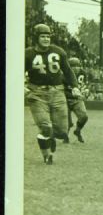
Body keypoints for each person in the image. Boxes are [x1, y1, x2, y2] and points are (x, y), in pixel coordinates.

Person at [25, 23, 81, 164]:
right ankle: (47, 156)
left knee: (63, 131)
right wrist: (22, 86)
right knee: (45, 126)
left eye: (48, 36)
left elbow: (68, 71)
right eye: (42, 36)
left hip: (57, 92)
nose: (46, 39)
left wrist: (75, 86)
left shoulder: (58, 51)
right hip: (37, 93)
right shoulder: (28, 53)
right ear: (36, 38)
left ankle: (51, 138)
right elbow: (15, 70)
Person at [64, 57, 89, 144]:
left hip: (77, 99)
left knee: (84, 117)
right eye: (73, 66)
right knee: (67, 121)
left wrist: (85, 91)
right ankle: (65, 137)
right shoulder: (63, 74)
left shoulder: (83, 73)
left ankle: (77, 131)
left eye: (78, 66)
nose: (76, 68)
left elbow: (85, 85)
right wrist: (72, 94)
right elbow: (61, 90)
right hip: (65, 99)